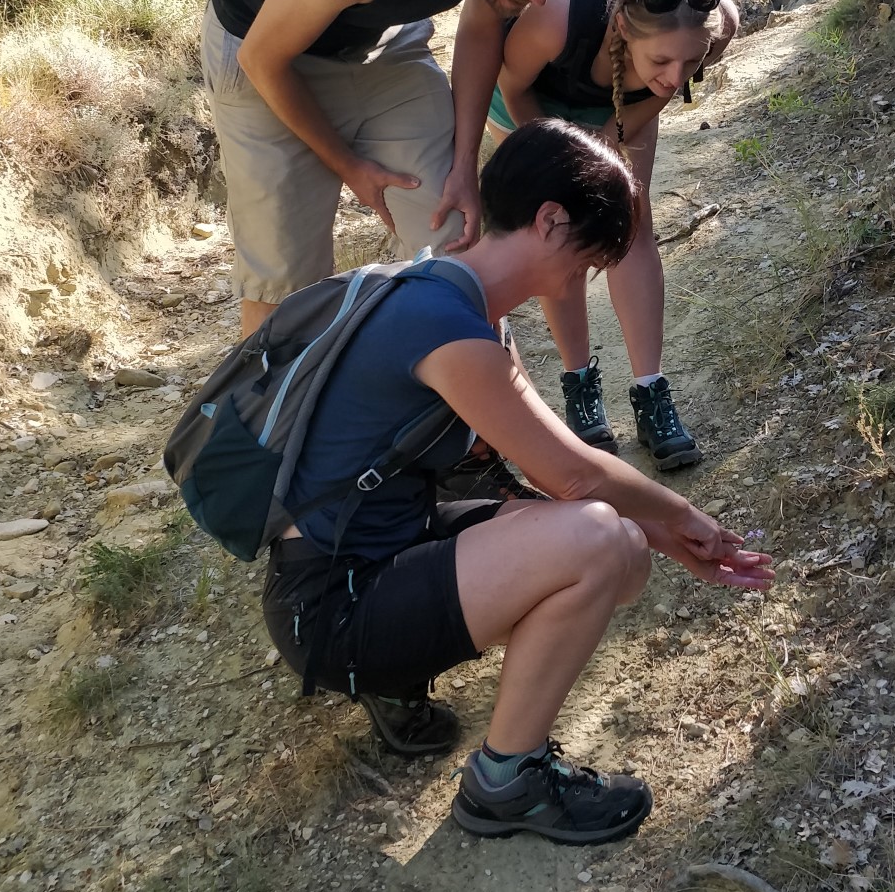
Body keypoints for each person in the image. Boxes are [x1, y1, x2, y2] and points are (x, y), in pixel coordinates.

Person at [263, 119, 774, 844]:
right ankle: (506, 779)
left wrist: (664, 536)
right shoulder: (448, 326)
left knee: (619, 547)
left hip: (351, 568)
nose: (583, 280)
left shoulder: (444, 295)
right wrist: (687, 514)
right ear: (549, 220)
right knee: (601, 544)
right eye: (589, 259)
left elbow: (520, 481)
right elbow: (570, 470)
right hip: (333, 609)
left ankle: (400, 679)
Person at [203, 0, 580, 339]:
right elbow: (262, 60)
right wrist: (348, 165)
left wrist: (465, 164)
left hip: (377, 38)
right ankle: (268, 415)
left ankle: (470, 406)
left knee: (456, 235)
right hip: (266, 50)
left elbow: (483, 27)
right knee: (286, 289)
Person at [488, 0, 738, 469]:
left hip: (621, 106)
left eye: (690, 62)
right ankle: (579, 387)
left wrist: (614, 132)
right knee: (559, 236)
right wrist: (560, 156)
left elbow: (665, 91)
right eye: (662, 61)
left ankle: (651, 393)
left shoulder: (715, 26)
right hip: (529, 102)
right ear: (623, 27)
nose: (676, 76)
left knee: (633, 226)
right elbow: (511, 85)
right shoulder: (556, 18)